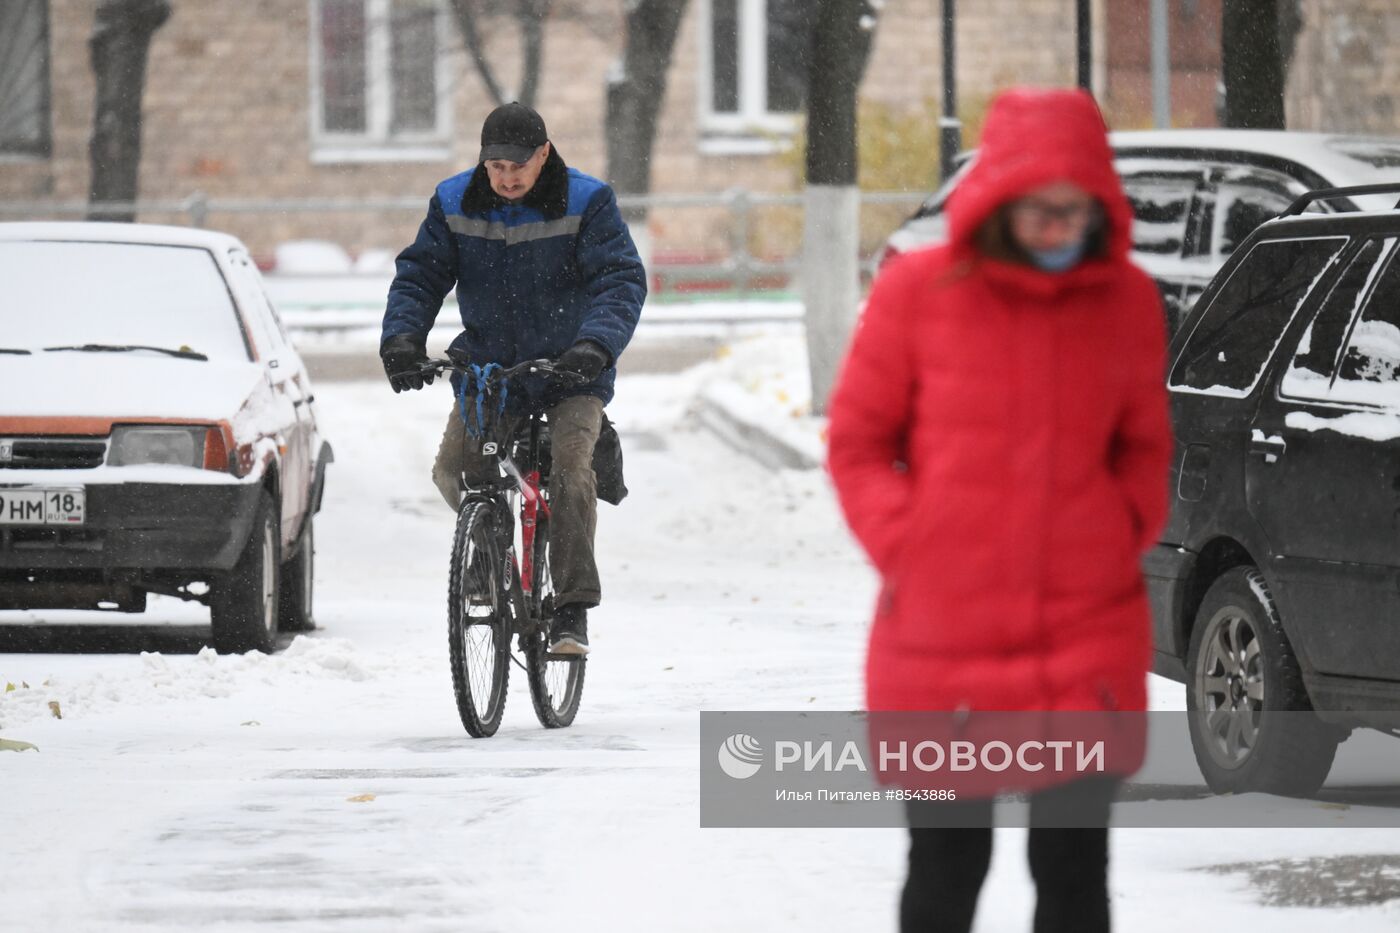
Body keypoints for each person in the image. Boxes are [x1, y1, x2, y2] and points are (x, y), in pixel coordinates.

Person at [825, 87, 1173, 933]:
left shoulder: (1126, 301)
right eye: (1037, 211)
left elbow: (1144, 447)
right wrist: (914, 545)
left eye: (1074, 210)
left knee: (1073, 875)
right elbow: (859, 442)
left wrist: (1116, 530)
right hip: (943, 636)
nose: (1057, 229)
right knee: (946, 870)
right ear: (998, 199)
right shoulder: (919, 290)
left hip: (1085, 634)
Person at [380, 101, 646, 656]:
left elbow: (620, 281)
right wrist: (403, 341)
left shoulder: (587, 200)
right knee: (454, 471)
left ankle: (572, 609)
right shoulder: (453, 200)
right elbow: (420, 277)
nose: (506, 177)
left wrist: (594, 346)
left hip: (571, 368)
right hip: (491, 369)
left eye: (518, 166)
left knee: (571, 474)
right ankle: (487, 551)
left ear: (543, 154)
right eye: (495, 167)